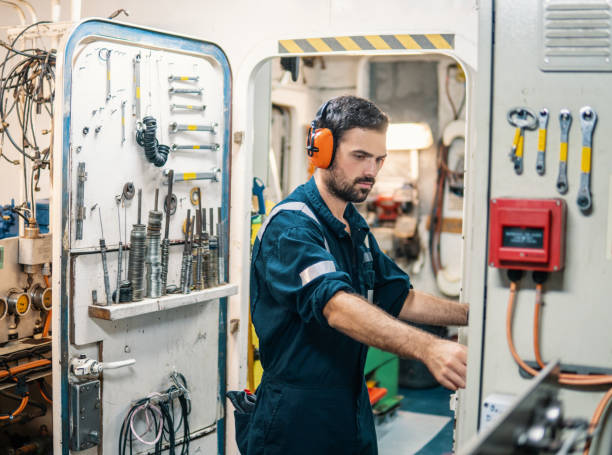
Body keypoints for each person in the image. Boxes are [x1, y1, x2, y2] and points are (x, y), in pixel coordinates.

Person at [244, 95, 468, 455]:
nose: (372, 171)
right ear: (322, 151)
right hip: (297, 417)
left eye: (379, 159)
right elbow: (337, 307)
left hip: (350, 407)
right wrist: (428, 347)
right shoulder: (292, 227)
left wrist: (471, 314)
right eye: (360, 156)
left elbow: (399, 296)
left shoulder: (352, 224)